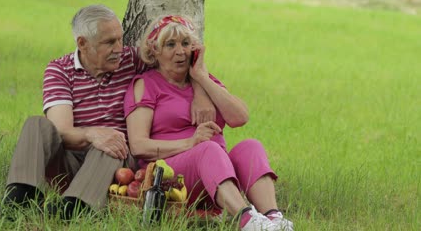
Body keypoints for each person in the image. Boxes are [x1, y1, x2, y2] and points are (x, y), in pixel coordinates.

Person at [0, 5, 215, 220]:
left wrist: (200, 93)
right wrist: (91, 134)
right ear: (83, 43)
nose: (119, 48)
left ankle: (76, 207)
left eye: (120, 39)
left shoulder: (132, 60)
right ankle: (19, 200)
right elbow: (62, 131)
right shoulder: (60, 70)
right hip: (68, 162)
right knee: (37, 124)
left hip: (113, 166)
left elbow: (179, 66)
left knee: (113, 141)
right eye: (109, 42)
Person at [124, 15, 294, 231]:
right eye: (170, 44)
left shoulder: (203, 81)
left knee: (250, 146)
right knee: (208, 149)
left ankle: (273, 219)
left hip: (217, 173)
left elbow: (240, 117)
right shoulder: (145, 85)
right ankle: (247, 222)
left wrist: (201, 76)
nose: (180, 51)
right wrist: (191, 142)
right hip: (170, 174)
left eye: (186, 44)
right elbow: (139, 146)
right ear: (154, 50)